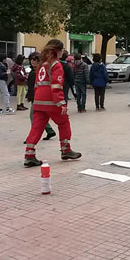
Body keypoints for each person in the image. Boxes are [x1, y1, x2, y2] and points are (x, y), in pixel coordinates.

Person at [23, 39, 82, 167]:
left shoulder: (42, 65)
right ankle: (65, 149)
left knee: (36, 127)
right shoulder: (56, 65)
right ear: (58, 51)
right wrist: (61, 103)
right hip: (51, 101)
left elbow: (37, 84)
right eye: (62, 50)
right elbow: (56, 86)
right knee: (64, 121)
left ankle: (29, 154)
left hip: (38, 101)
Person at [25, 52, 56, 142]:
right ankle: (49, 130)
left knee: (33, 117)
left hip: (38, 97)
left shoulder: (41, 71)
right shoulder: (32, 71)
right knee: (40, 117)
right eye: (31, 59)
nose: (32, 62)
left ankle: (32, 137)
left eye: (35, 60)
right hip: (33, 96)